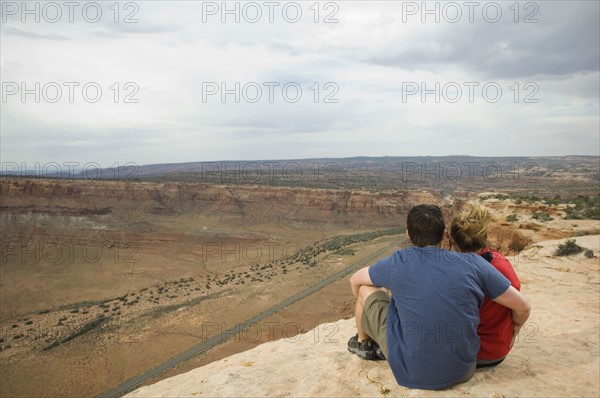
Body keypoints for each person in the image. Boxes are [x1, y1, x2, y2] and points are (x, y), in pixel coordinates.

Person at [348, 204, 531, 390]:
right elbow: (522, 306)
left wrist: (372, 314)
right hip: (464, 370)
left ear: (408, 235)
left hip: (409, 370)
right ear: (444, 234)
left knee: (365, 288)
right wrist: (515, 329)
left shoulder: (398, 261)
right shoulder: (474, 263)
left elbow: (355, 280)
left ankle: (364, 344)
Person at [449, 203, 522, 368]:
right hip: (499, 352)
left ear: (455, 243)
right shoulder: (500, 263)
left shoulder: (464, 273)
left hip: (476, 353)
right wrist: (515, 328)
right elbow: (520, 307)